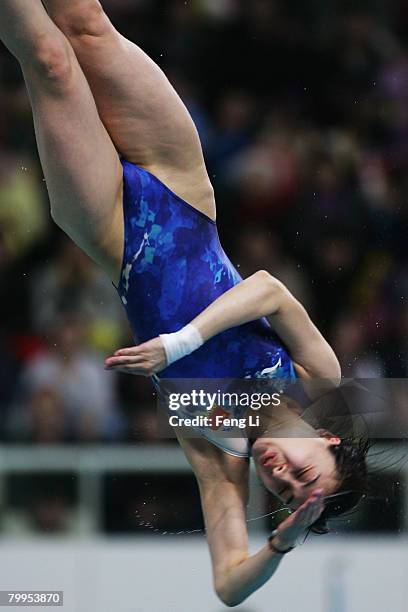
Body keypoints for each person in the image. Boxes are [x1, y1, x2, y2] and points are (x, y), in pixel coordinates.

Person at [0, 1, 367, 605]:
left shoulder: (219, 452)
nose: (278, 474)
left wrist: (280, 543)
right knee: (88, 25)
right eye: (301, 473)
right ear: (328, 441)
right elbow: (269, 290)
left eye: (280, 491)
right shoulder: (318, 379)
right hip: (185, 187)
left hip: (113, 231)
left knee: (51, 62)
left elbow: (228, 587)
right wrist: (180, 344)